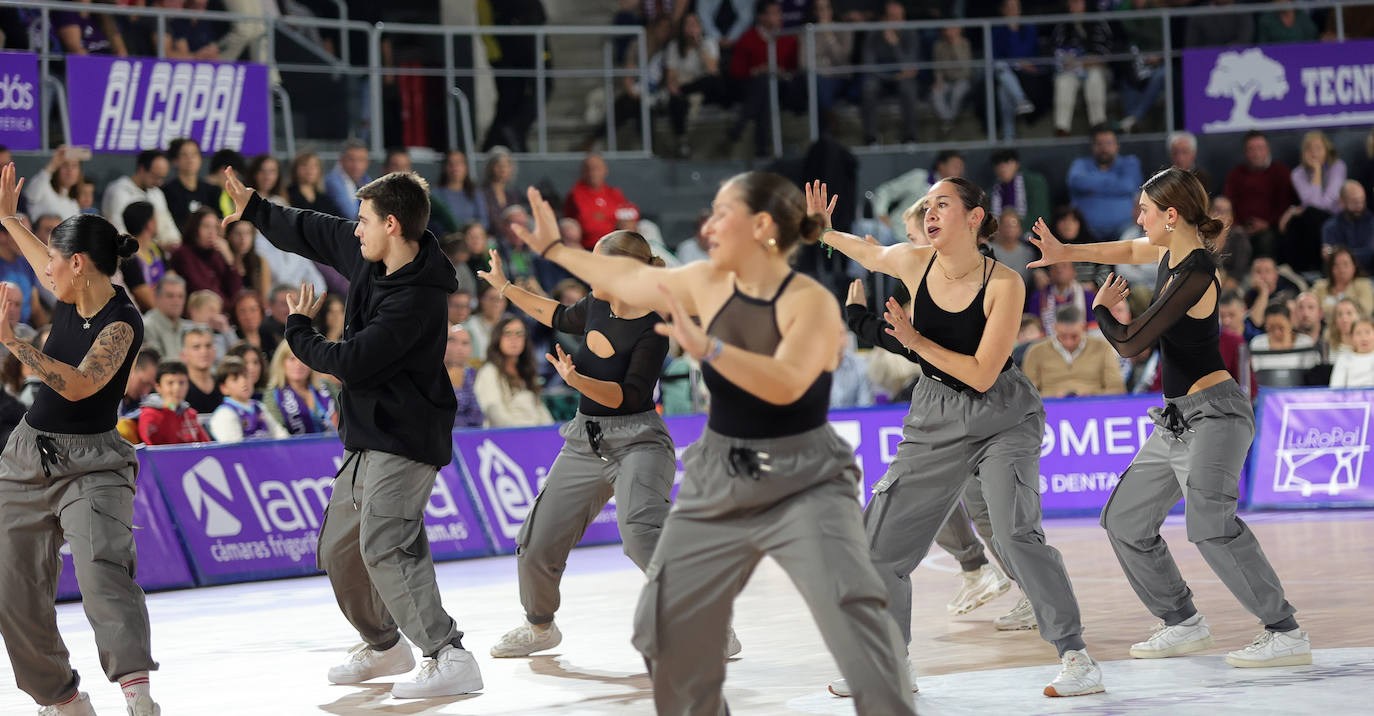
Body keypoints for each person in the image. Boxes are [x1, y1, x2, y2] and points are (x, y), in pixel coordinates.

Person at [518, 176, 916, 714]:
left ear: (759, 228)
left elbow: (788, 385)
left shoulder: (808, 303)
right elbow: (622, 282)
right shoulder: (701, 280)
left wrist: (712, 349)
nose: (706, 225)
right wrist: (552, 249)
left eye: (721, 213)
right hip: (722, 464)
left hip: (802, 468)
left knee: (848, 617)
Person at [814, 177, 1104, 699]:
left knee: (1016, 535)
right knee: (879, 546)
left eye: (941, 204)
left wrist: (914, 340)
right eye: (926, 205)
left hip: (1003, 417)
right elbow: (870, 250)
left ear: (973, 218)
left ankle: (1076, 654)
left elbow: (982, 374)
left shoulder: (1005, 283)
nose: (929, 212)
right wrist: (825, 232)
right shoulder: (912, 261)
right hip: (935, 414)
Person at [1029, 166, 1311, 669]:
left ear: (1171, 214)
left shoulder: (1197, 271)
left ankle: (1284, 630)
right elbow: (1126, 251)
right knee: (1124, 519)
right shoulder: (1167, 253)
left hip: (1218, 415)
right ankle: (1182, 620)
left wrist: (1102, 311)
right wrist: (1066, 253)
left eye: (1144, 210)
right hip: (1178, 419)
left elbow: (1133, 344)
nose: (1137, 219)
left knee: (1209, 524)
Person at [222, 164, 482, 698]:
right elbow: (310, 228)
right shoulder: (368, 252)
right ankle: (386, 644)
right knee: (340, 550)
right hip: (366, 435)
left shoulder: (419, 297)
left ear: (392, 224)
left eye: (363, 220)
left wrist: (297, 330)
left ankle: (449, 654)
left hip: (407, 438)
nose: (354, 229)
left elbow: (354, 362)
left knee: (387, 543)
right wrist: (254, 208)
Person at [477, 231, 690, 659]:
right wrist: (505, 288)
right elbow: (552, 314)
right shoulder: (595, 305)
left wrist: (577, 381)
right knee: (536, 541)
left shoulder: (654, 326)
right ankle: (539, 627)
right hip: (585, 440)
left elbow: (629, 396)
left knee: (641, 534)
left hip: (639, 442)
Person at [0, 166, 160, 716]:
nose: (42, 270)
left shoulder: (123, 323)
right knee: (11, 589)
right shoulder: (70, 289)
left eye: (53, 260)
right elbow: (36, 254)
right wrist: (6, 217)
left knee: (101, 574)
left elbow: (80, 385)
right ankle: (61, 699)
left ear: (78, 264)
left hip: (94, 464)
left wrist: (14, 343)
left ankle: (138, 697)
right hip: (27, 456)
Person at [1023, 304, 1127, 397]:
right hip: (1049, 410)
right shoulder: (1036, 351)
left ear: (1083, 327)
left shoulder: (1102, 348)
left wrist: (1092, 395)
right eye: (1063, 336)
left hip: (1093, 408)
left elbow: (1117, 389)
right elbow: (1027, 395)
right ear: (1055, 328)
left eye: (1074, 336)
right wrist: (1052, 397)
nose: (1069, 342)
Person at [473, 315, 555, 427]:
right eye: (507, 333)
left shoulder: (526, 370)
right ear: (497, 338)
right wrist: (527, 432)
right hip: (508, 436)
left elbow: (540, 409)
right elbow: (495, 415)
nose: (514, 339)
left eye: (519, 334)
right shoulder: (489, 372)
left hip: (536, 434)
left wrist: (549, 431)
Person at [1224, 131, 1296, 258]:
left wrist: (1267, 224)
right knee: (1234, 239)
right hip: (1241, 228)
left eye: (1260, 148)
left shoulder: (1280, 172)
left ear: (1268, 150)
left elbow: (1286, 205)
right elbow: (1228, 204)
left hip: (1271, 228)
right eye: (1251, 149)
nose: (1256, 154)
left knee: (1266, 239)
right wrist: (1238, 226)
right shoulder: (1235, 175)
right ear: (1245, 153)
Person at [1067, 125, 1143, 241]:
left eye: (1109, 143)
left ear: (1117, 146)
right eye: (1099, 144)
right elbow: (1076, 182)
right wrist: (1116, 184)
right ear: (1092, 147)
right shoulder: (1081, 164)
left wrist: (1092, 186)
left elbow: (1128, 185)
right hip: (1087, 230)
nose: (1104, 148)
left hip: (1125, 228)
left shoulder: (1129, 163)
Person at [860, 1, 920, 145]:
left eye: (900, 17)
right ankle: (871, 138)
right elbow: (869, 64)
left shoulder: (911, 34)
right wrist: (890, 76)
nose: (897, 21)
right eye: (893, 17)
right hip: (880, 77)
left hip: (902, 78)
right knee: (868, 88)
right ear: (884, 19)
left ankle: (910, 137)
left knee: (908, 89)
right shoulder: (873, 34)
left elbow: (909, 65)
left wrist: (895, 45)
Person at [1051, 0, 1112, 135]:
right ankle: (1062, 129)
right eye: (1071, 4)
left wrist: (1081, 62)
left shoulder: (1098, 22)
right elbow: (1057, 52)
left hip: (1095, 68)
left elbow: (1104, 54)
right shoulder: (1063, 25)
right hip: (1071, 70)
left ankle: (1098, 126)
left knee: (1094, 80)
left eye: (1078, 3)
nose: (1074, 7)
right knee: (1063, 82)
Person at [102, 149, 179, 247]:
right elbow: (120, 233)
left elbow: (168, 226)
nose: (159, 182)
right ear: (141, 169)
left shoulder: (157, 193)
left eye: (162, 177)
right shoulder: (119, 192)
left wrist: (174, 244)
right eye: (155, 176)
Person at [563, 155, 638, 250]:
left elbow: (631, 214)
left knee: (646, 228)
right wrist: (612, 217)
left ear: (605, 170)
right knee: (569, 231)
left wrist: (606, 217)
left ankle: (654, 261)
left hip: (614, 243)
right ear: (582, 172)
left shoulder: (614, 193)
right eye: (588, 169)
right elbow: (587, 222)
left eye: (597, 168)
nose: (593, 172)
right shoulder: (576, 194)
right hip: (586, 245)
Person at [263, 342, 338, 435]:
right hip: (293, 448)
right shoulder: (273, 394)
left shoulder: (327, 386)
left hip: (334, 445)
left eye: (303, 359)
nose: (299, 365)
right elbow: (277, 432)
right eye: (292, 359)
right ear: (281, 362)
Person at [208, 355, 287, 442]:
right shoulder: (224, 414)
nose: (244, 383)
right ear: (224, 388)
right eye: (235, 379)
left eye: (246, 377)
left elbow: (280, 434)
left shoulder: (259, 407)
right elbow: (232, 449)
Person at [169, 208, 242, 302]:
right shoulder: (183, 254)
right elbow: (199, 288)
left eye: (215, 227)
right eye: (206, 226)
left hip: (222, 310)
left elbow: (236, 292)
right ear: (195, 228)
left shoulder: (217, 254)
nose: (211, 232)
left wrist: (230, 259)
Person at [137, 360, 212, 445]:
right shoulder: (149, 415)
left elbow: (207, 446)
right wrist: (169, 411)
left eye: (182, 383)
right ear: (158, 387)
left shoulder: (190, 414)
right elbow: (152, 451)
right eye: (170, 383)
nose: (177, 388)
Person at [118, 202, 168, 312]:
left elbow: (173, 281)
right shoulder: (130, 259)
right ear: (150, 224)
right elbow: (148, 302)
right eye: (155, 218)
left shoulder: (156, 249)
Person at [162, 137, 222, 228]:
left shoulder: (213, 190)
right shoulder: (166, 191)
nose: (190, 159)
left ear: (200, 159)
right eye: (184, 155)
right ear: (175, 160)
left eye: (194, 154)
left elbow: (219, 221)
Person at [990, 148, 1051, 231]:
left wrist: (1016, 230)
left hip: (1030, 234)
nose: (1003, 168)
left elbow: (1041, 215)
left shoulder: (1034, 183)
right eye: (998, 164)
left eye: (1007, 162)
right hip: (999, 237)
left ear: (1017, 164)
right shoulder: (991, 191)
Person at [430, 151, 488, 234]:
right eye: (451, 164)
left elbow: (484, 221)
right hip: (448, 240)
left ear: (465, 167)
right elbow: (434, 223)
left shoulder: (475, 193)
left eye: (459, 163)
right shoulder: (435, 195)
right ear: (445, 168)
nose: (455, 167)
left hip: (472, 239)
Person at [1321, 181, 1374, 271]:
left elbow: (1370, 255)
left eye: (1362, 201)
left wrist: (1341, 255)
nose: (1359, 205)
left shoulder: (1372, 222)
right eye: (1354, 201)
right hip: (1341, 278)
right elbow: (1332, 261)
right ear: (1341, 202)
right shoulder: (1330, 226)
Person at [22, 146, 83, 222]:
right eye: (65, 165)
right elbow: (30, 196)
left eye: (74, 166)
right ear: (56, 168)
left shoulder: (73, 204)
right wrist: (53, 164)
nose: (70, 171)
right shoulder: (44, 189)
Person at [444, 324, 484, 429]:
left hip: (469, 436)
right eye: (452, 341)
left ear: (471, 348)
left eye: (465, 343)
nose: (459, 348)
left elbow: (478, 416)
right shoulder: (431, 374)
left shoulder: (473, 375)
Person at [140, 275, 187, 361]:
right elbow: (158, 364)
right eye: (170, 296)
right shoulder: (147, 326)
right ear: (156, 298)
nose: (176, 301)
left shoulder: (187, 326)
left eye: (180, 296)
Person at [324, 139, 373, 220]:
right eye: (351, 160)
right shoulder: (333, 181)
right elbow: (351, 215)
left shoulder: (366, 179)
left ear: (367, 163)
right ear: (341, 161)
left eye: (361, 160)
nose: (356, 165)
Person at [180, 327, 222, 414]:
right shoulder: (178, 388)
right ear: (184, 355)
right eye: (196, 347)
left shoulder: (224, 384)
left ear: (215, 351)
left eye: (208, 346)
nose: (204, 352)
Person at [1330, 318, 1374, 387]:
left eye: (1367, 332)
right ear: (1351, 337)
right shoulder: (1344, 358)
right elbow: (1336, 387)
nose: (1364, 338)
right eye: (1358, 333)